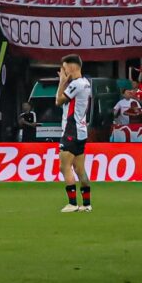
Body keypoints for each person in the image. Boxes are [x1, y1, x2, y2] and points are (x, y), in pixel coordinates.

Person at [57, 55, 94, 215]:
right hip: (81, 130)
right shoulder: (86, 83)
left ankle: (72, 204)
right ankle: (87, 204)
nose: (64, 72)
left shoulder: (76, 85)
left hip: (71, 130)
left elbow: (58, 100)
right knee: (80, 169)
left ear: (72, 68)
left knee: (64, 167)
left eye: (65, 69)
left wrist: (62, 82)